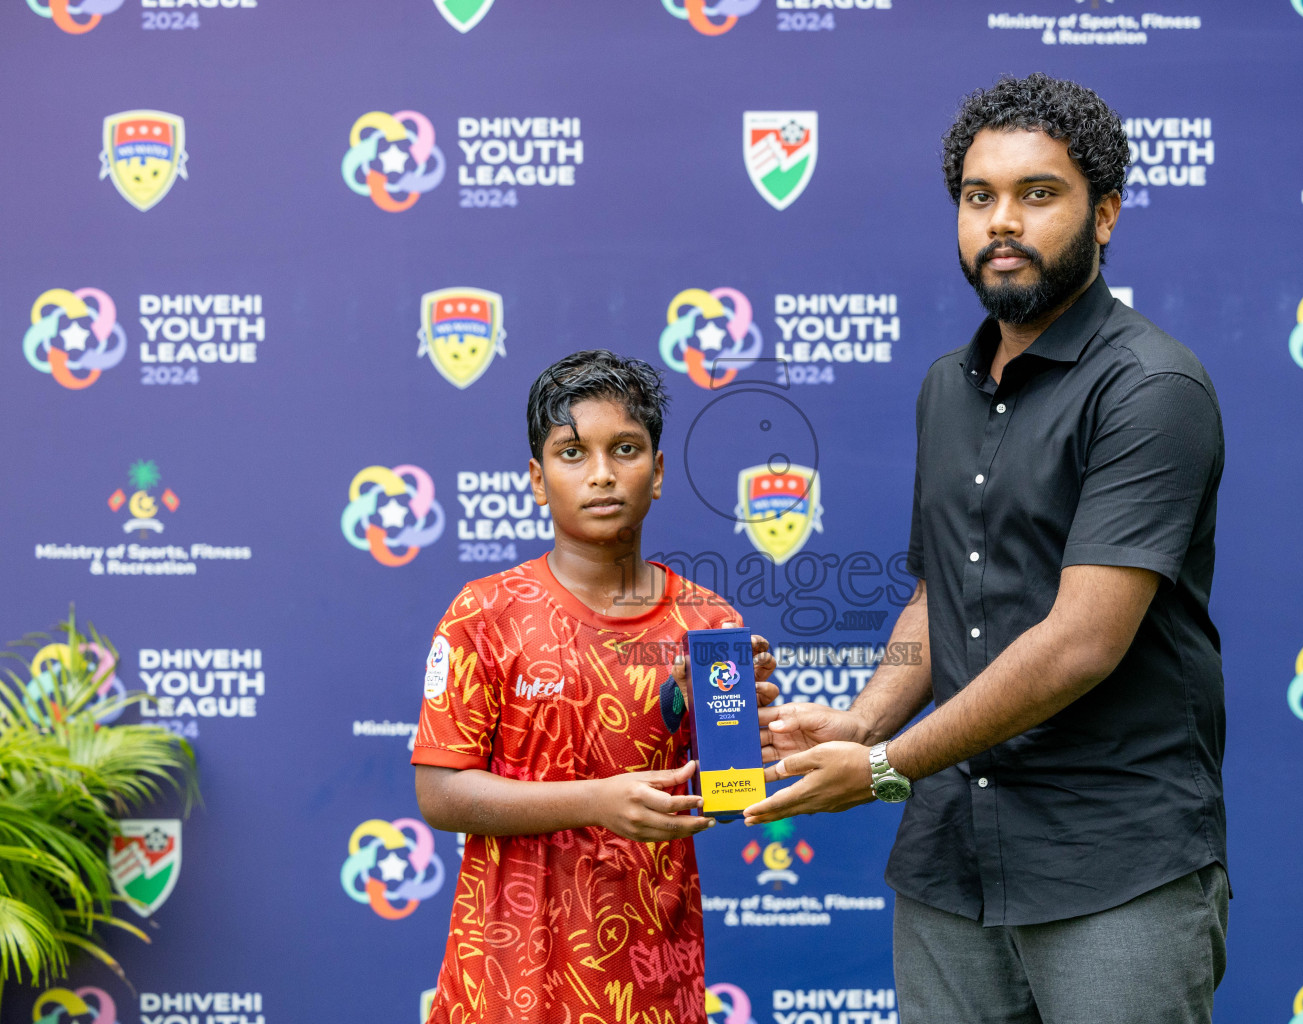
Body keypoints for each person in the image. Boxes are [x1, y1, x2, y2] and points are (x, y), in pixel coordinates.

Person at [744, 74, 1229, 1024]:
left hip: (1111, 864)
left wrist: (886, 769)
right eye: (979, 197)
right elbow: (938, 597)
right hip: (949, 863)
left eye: (1038, 194)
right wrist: (862, 724)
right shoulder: (946, 387)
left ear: (1106, 215)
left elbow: (1083, 639)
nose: (1002, 222)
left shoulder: (1152, 387)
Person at [411, 350, 777, 1024]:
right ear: (537, 478)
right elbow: (440, 793)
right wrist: (594, 802)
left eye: (626, 449)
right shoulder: (484, 613)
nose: (603, 474)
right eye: (573, 453)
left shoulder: (708, 622)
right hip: (503, 981)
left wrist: (740, 732)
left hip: (649, 982)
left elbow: (729, 796)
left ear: (659, 472)